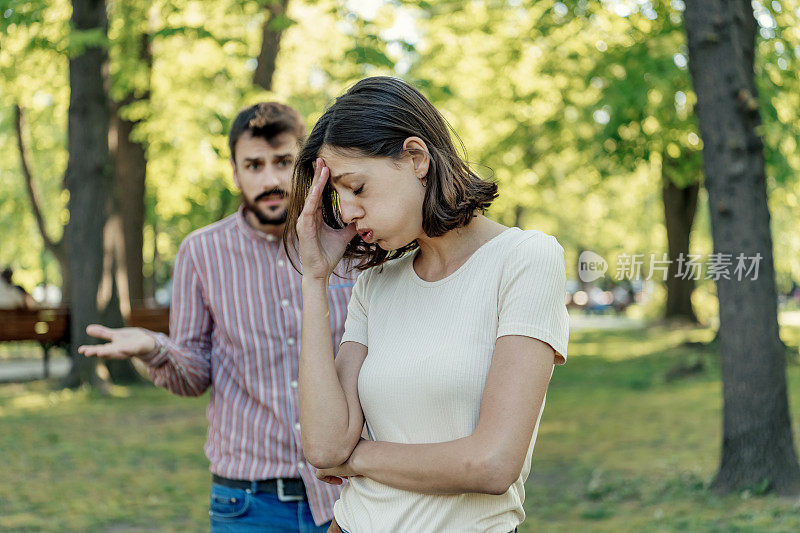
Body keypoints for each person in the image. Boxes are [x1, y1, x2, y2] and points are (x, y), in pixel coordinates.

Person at [284, 77, 570, 533]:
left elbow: (492, 465)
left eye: (357, 187)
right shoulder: (375, 285)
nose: (349, 211)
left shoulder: (525, 259)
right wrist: (315, 278)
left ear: (416, 158)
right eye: (339, 196)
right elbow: (323, 447)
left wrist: (357, 458)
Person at [79, 102, 357, 532]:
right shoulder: (201, 253)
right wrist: (154, 348)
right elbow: (193, 377)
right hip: (247, 504)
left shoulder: (352, 243)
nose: (270, 179)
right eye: (254, 165)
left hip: (350, 496)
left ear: (306, 164)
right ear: (235, 172)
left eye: (283, 162)